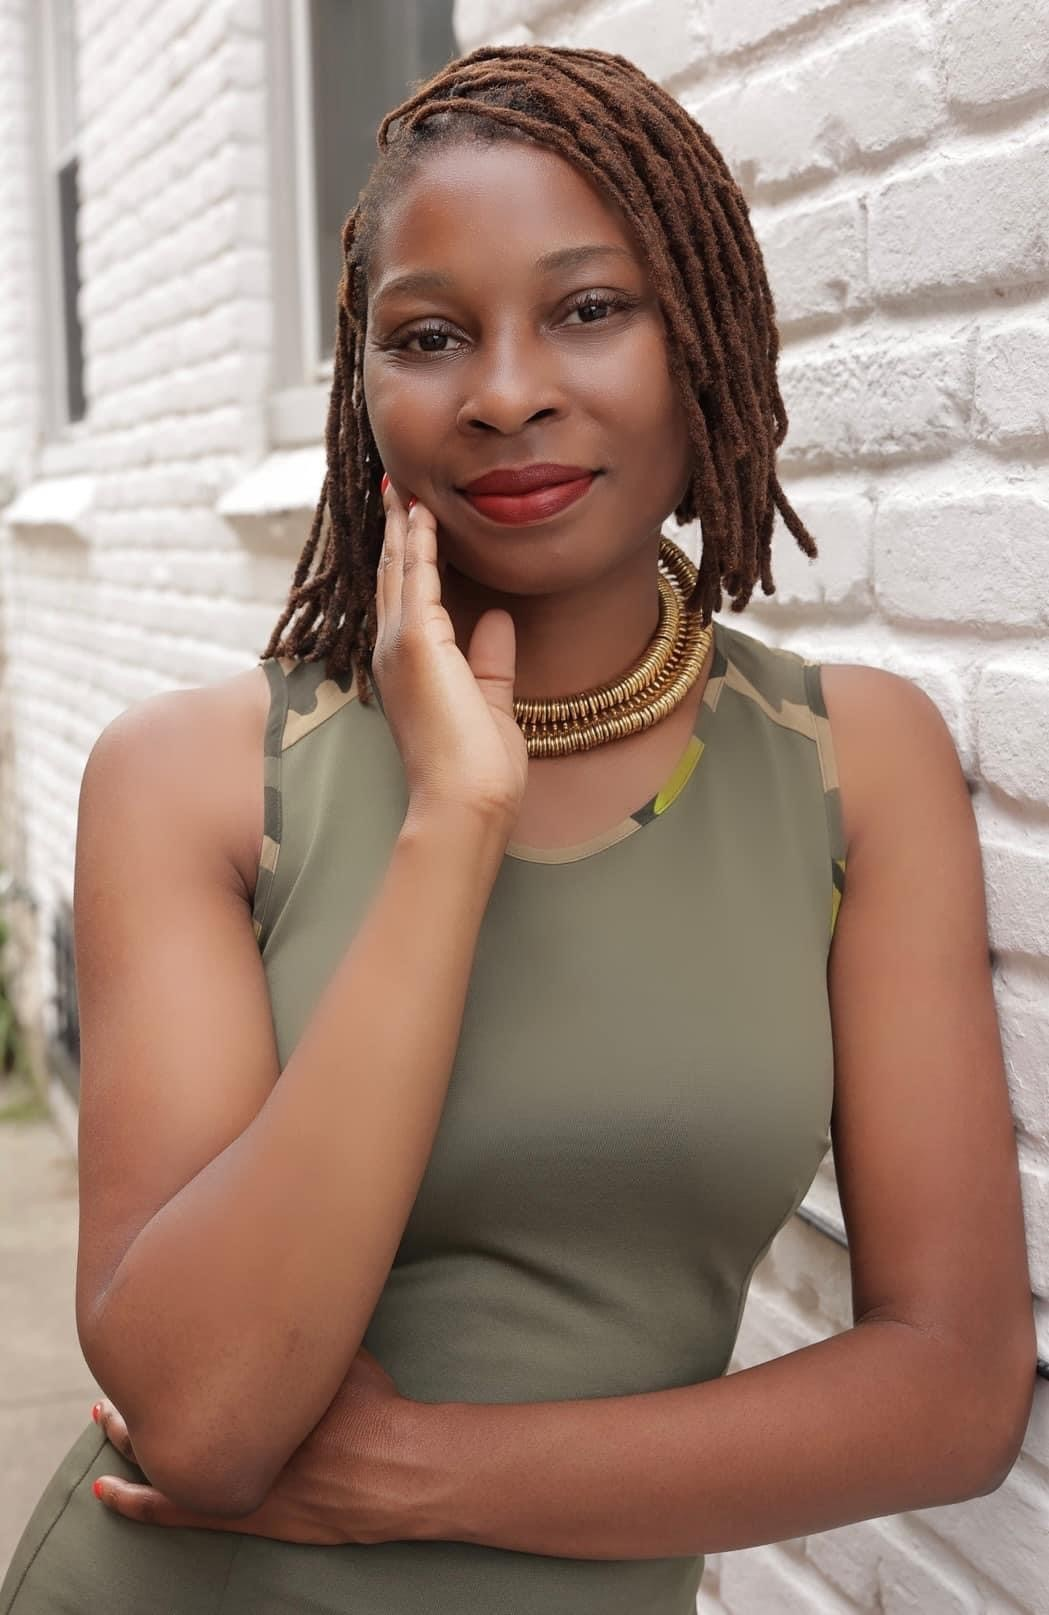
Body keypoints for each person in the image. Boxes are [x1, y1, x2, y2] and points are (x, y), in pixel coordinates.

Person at [1, 42, 1035, 1615]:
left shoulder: (849, 765)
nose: (505, 390)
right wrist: (452, 823)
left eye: (589, 307)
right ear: (363, 394)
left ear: (710, 341)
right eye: (430, 334)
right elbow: (205, 1421)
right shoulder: (197, 777)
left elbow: (955, 1390)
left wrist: (417, 1472)